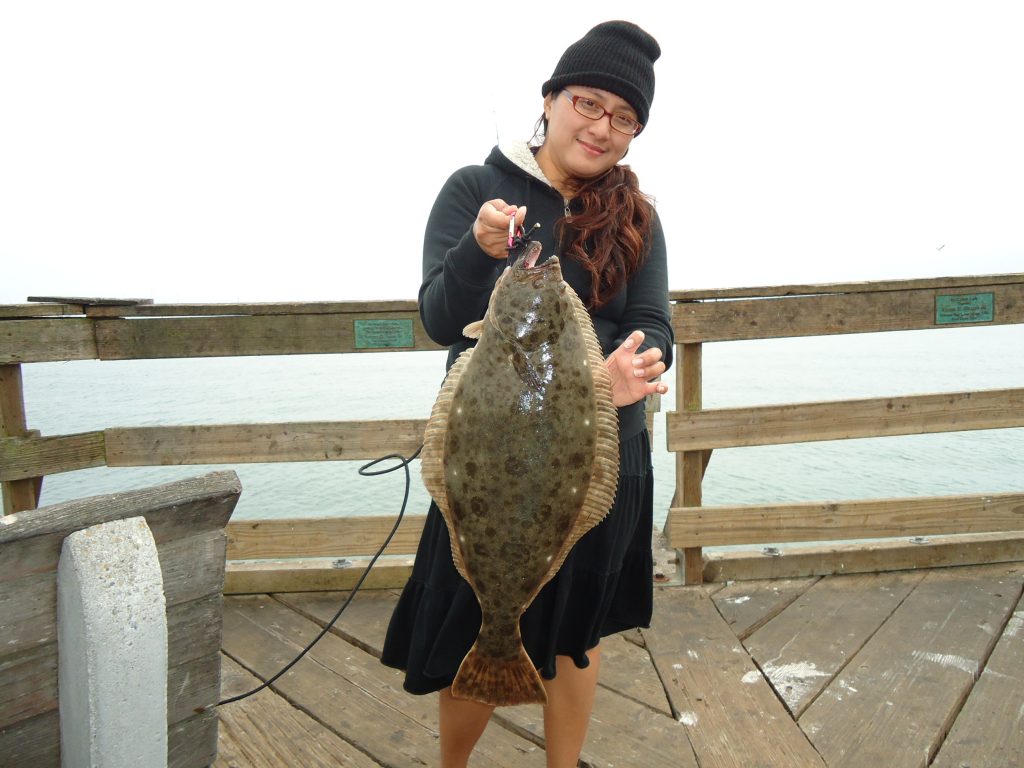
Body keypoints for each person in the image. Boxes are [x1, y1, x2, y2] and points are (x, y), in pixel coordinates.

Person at [381, 20, 674, 768]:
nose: (603, 127)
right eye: (589, 103)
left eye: (626, 118)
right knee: (470, 621)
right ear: (550, 99)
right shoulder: (478, 191)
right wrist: (477, 255)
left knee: (578, 634)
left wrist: (614, 381)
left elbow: (652, 328)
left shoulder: (636, 217)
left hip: (598, 460)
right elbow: (441, 319)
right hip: (487, 457)